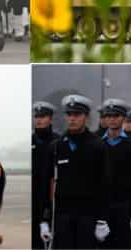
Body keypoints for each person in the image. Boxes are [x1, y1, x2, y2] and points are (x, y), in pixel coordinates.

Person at [39, 94, 109, 249]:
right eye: (69, 115)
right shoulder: (56, 147)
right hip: (62, 214)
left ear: (86, 117)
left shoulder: (98, 146)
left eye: (77, 115)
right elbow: (47, 184)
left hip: (88, 213)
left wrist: (102, 220)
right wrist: (44, 220)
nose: (72, 119)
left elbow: (104, 184)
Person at [99, 98, 131, 250]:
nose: (111, 119)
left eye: (116, 116)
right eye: (108, 116)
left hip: (125, 206)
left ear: (123, 118)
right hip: (101, 206)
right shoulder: (97, 144)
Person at [32, 101, 60, 250]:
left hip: (50, 198)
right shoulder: (31, 140)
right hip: (33, 198)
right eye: (37, 116)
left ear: (51, 119)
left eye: (43, 116)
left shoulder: (58, 141)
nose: (39, 120)